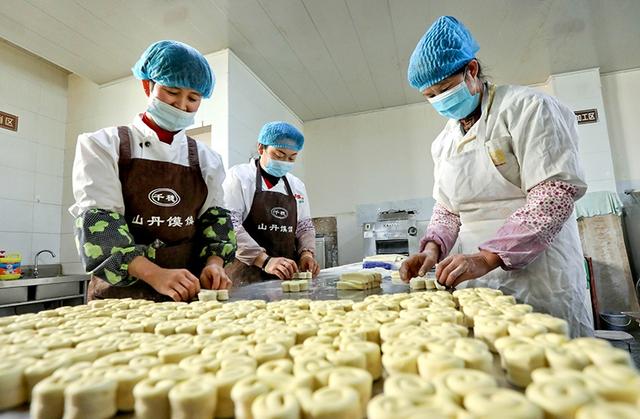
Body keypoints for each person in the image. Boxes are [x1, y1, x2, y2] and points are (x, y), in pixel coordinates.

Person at [400, 16, 593, 336]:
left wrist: (489, 256)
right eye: (430, 95)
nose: (439, 100)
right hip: (477, 283)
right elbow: (448, 210)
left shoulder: (527, 109)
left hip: (541, 279)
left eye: (445, 88)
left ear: (471, 71)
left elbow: (554, 195)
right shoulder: (443, 144)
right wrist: (432, 249)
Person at [70, 40, 236, 302]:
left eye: (193, 98)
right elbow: (100, 225)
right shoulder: (104, 145)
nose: (181, 105)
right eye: (172, 92)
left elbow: (215, 222)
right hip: (121, 298)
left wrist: (214, 264)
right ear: (147, 85)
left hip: (188, 295)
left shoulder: (208, 159)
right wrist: (156, 274)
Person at [223, 121, 319, 286]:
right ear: (261, 148)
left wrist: (307, 254)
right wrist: (264, 260)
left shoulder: (296, 185)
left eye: (292, 157)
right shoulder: (239, 177)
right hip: (246, 276)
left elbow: (304, 226)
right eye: (279, 154)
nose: (285, 162)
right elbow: (229, 224)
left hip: (287, 276)